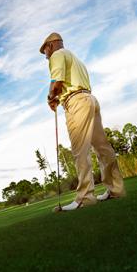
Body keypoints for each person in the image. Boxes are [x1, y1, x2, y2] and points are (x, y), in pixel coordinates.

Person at [40, 32, 125, 211]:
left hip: (76, 103)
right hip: (90, 99)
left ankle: (85, 197)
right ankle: (116, 189)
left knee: (80, 150)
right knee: (103, 148)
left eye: (44, 51)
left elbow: (56, 82)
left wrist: (51, 97)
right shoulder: (75, 58)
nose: (45, 55)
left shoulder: (56, 55)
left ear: (51, 45)